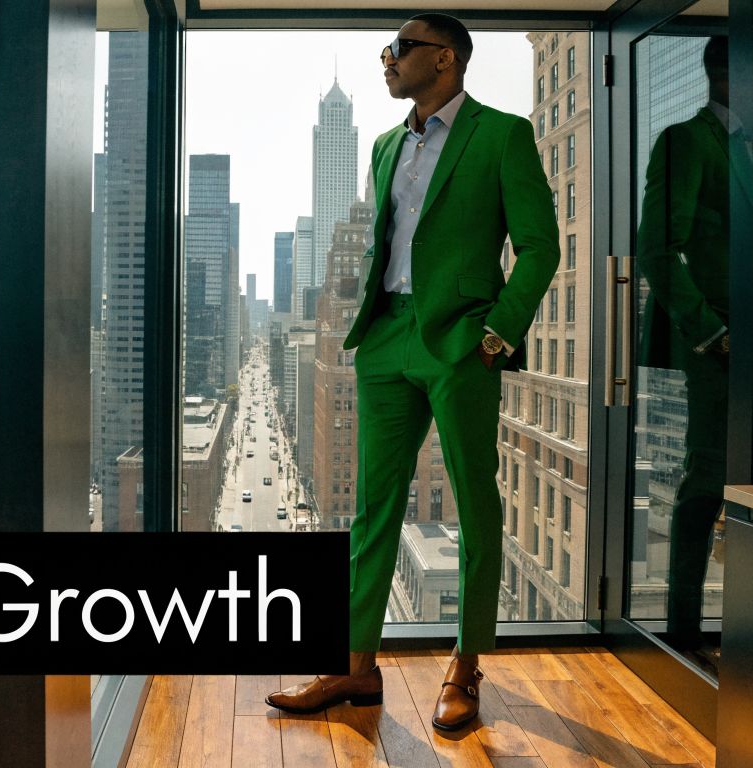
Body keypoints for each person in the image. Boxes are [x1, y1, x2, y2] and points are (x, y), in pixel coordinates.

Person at [266, 13, 558, 729]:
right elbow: (391, 243)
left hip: (460, 341)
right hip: (385, 338)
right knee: (373, 507)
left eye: (399, 49)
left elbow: (541, 246)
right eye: (387, 49)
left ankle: (466, 666)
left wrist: (496, 334)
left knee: (474, 501)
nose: (387, 60)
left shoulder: (503, 135)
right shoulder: (385, 144)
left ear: (445, 59)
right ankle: (355, 668)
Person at [636, 35, 753, 657]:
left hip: (742, 337)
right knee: (708, 476)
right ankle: (684, 632)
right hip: (717, 339)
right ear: (728, 72)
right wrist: (711, 333)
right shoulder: (685, 141)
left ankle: (724, 630)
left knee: (736, 475)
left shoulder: (742, 145)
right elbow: (656, 249)